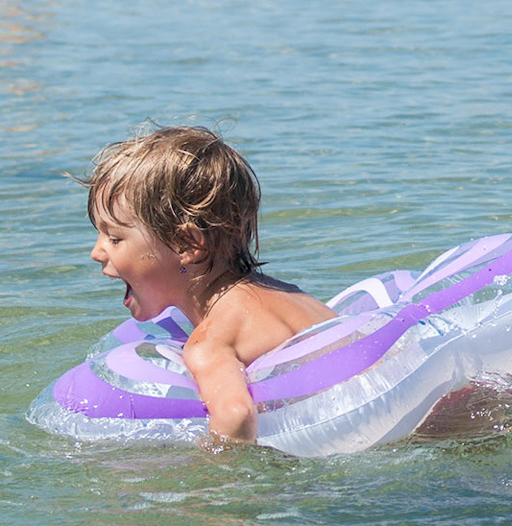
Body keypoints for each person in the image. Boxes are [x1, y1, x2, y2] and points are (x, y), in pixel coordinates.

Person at [84, 126, 336, 446]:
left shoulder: (209, 343)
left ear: (186, 244)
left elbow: (235, 414)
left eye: (115, 238)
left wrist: (207, 479)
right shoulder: (290, 295)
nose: (96, 252)